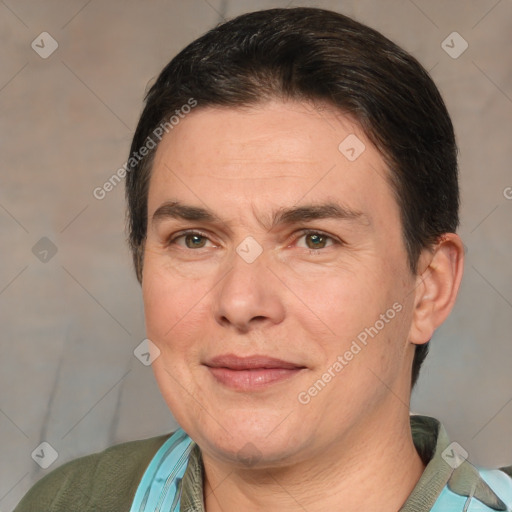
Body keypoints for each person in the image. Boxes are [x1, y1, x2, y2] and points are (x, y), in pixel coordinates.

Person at [14, 6, 511, 512]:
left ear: (428, 287)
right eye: (194, 240)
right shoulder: (72, 502)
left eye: (314, 240)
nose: (240, 301)